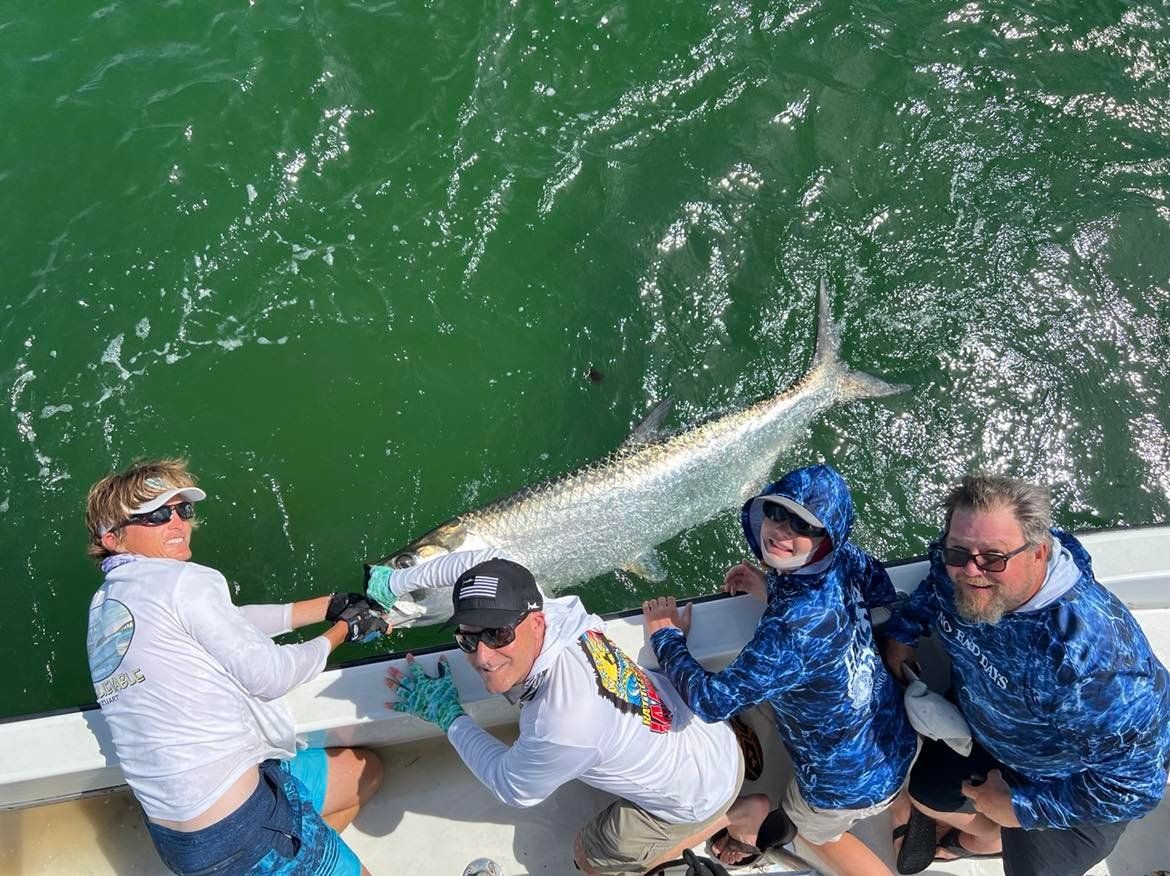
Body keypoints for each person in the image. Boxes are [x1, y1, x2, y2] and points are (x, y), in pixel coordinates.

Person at [85, 458, 387, 875]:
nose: (176, 522)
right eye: (155, 515)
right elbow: (272, 677)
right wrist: (344, 630)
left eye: (181, 510)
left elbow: (225, 621)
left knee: (362, 773)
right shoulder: (183, 580)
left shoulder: (107, 606)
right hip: (244, 831)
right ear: (113, 539)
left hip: (181, 845)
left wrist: (326, 606)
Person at [375, 550, 743, 876]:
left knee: (588, 857)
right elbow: (476, 559)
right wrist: (396, 581)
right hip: (717, 740)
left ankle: (739, 816)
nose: (483, 657)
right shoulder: (555, 612)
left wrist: (448, 716)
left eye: (498, 635)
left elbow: (511, 786)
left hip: (701, 799)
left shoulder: (561, 723)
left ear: (535, 624)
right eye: (468, 639)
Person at [883, 472, 1170, 875]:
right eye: (957, 553)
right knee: (927, 791)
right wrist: (903, 633)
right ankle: (983, 837)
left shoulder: (1095, 672)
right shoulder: (960, 561)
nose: (971, 571)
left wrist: (1020, 808)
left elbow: (1134, 789)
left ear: (1039, 551)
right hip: (984, 728)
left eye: (993, 558)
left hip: (1065, 779)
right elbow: (936, 585)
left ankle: (981, 843)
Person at [644, 463, 917, 875]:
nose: (781, 530)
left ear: (826, 537)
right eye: (776, 512)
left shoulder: (789, 630)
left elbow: (711, 701)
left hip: (840, 787)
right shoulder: (847, 558)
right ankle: (903, 811)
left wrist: (666, 637)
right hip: (896, 735)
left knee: (815, 833)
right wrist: (772, 586)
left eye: (801, 525)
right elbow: (880, 591)